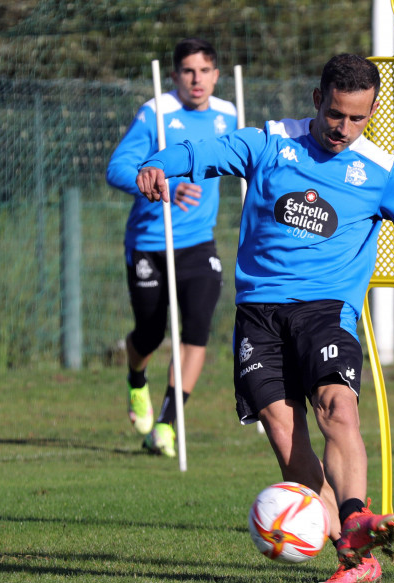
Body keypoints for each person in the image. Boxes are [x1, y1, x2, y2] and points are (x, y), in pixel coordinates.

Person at [136, 53, 394, 583]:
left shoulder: (380, 172)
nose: (344, 129)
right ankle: (354, 557)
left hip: (326, 312)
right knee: (290, 444)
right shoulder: (271, 142)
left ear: (372, 110)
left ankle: (356, 515)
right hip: (259, 315)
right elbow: (208, 151)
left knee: (338, 409)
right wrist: (161, 165)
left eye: (358, 118)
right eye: (336, 115)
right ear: (317, 100)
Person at [106, 38, 237, 457]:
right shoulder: (155, 113)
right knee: (149, 333)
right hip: (149, 242)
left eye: (204, 71)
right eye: (187, 71)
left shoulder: (227, 116)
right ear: (176, 75)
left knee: (196, 328)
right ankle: (136, 379)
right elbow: (117, 168)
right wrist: (166, 185)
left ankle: (166, 424)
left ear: (216, 75)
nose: (196, 80)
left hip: (199, 243)